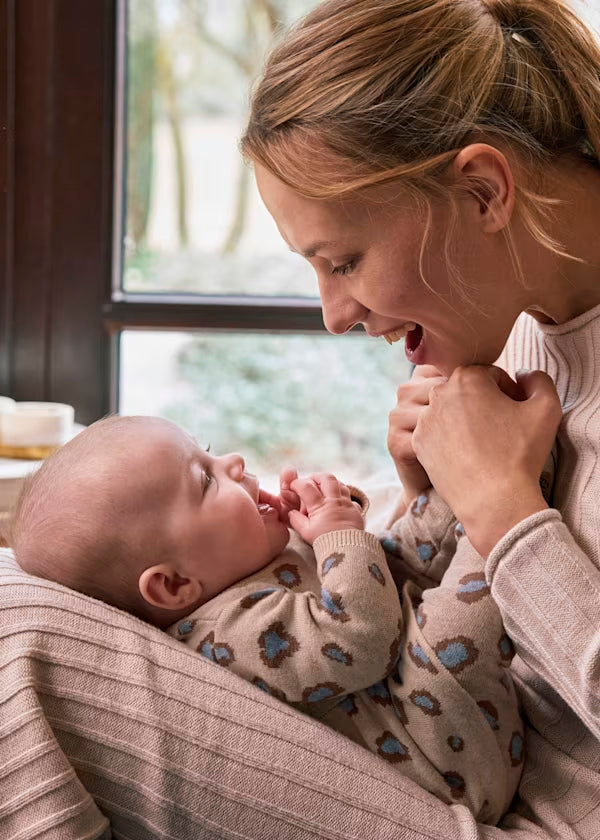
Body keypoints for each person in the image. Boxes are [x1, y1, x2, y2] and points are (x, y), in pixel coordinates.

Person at [236, 0, 600, 837]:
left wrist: (504, 512)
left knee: (27, 641)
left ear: (482, 190)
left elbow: (525, 547)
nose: (333, 313)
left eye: (344, 261)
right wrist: (431, 505)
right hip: (467, 769)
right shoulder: (526, 324)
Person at [11, 412, 524, 824]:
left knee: (416, 539)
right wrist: (336, 534)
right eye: (205, 479)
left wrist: (338, 512)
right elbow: (361, 637)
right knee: (456, 601)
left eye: (207, 449)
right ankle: (509, 497)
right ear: (174, 585)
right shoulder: (226, 634)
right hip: (445, 748)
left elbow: (384, 571)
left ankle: (476, 474)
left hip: (415, 682)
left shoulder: (244, 562)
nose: (232, 462)